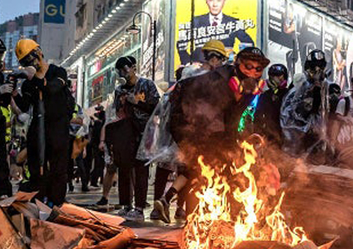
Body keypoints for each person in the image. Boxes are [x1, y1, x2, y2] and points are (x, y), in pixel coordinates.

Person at [154, 46, 270, 222]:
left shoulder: (247, 90)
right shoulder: (218, 82)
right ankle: (197, 220)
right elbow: (207, 118)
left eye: (258, 69)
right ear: (238, 64)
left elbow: (234, 118)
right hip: (190, 125)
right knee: (207, 168)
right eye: (248, 66)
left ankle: (170, 201)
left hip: (210, 129)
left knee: (198, 169)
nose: (253, 72)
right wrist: (229, 144)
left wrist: (240, 140)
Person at [14, 39, 74, 206]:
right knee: (37, 169)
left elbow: (53, 88)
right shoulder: (28, 84)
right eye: (25, 62)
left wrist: (37, 79)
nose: (30, 63)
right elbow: (24, 106)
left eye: (30, 58)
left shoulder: (57, 72)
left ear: (39, 52)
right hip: (38, 129)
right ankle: (39, 202)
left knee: (58, 169)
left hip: (57, 127)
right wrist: (12, 94)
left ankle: (57, 204)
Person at [109, 56, 160, 220]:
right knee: (123, 168)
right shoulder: (119, 90)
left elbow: (156, 107)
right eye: (119, 71)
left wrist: (137, 102)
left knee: (141, 170)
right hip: (124, 132)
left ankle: (139, 207)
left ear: (133, 68)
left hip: (143, 132)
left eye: (125, 69)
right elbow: (116, 112)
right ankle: (126, 204)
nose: (123, 73)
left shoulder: (146, 85)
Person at [177, 0, 255, 64]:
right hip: (200, 67)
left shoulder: (233, 22)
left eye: (219, 0)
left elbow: (249, 43)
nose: (215, 4)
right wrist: (187, 63)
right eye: (211, 0)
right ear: (206, 2)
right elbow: (181, 44)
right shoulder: (196, 20)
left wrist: (237, 62)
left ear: (224, 1)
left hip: (224, 67)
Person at [280, 50, 328, 158]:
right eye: (314, 67)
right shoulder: (299, 85)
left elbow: (322, 116)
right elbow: (288, 116)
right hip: (296, 145)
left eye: (320, 67)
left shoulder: (323, 88)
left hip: (315, 144)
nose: (317, 71)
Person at [254, 64, 289, 146]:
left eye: (279, 76)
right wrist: (258, 134)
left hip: (286, 136)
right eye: (273, 76)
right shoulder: (265, 96)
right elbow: (257, 117)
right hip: (270, 136)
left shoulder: (289, 94)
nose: (277, 79)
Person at [0, 36, 12, 198]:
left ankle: (3, 189)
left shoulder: (0, 75)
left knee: (2, 158)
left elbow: (4, 102)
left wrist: (7, 92)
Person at [89, 105, 106, 188]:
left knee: (99, 164)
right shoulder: (99, 124)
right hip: (97, 146)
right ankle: (94, 180)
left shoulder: (97, 123)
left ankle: (95, 180)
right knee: (98, 164)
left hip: (96, 145)